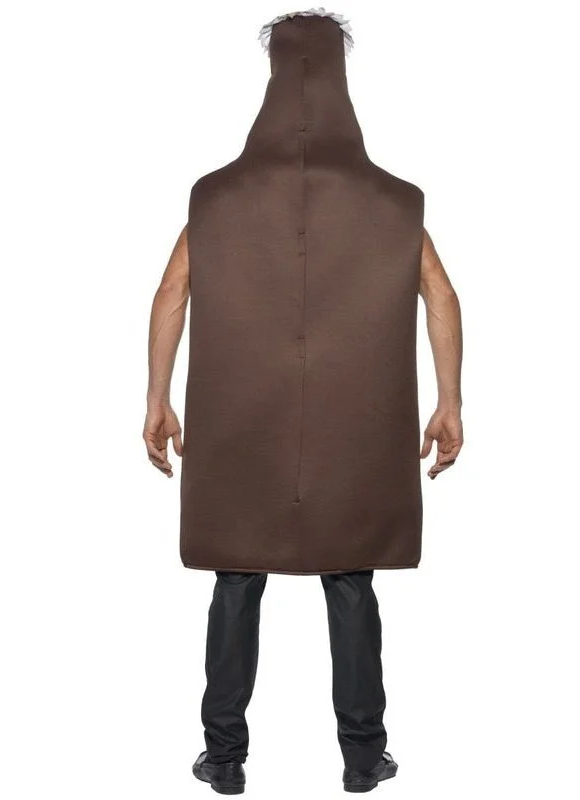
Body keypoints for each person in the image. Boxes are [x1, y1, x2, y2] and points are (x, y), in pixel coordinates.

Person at [143, 10, 463, 794]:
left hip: (239, 425)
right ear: (341, 80)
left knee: (236, 577)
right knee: (351, 581)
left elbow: (173, 290)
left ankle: (224, 757)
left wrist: (157, 397)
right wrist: (450, 401)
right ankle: (362, 756)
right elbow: (440, 294)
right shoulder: (393, 200)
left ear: (273, 79)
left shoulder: (217, 196)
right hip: (356, 431)